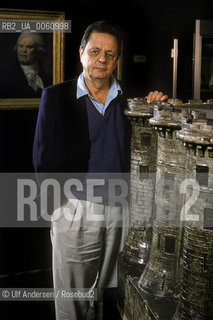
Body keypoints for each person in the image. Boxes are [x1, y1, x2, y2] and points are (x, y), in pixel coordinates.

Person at [33, 20, 167, 320]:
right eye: (95, 51)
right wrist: (57, 209)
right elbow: (42, 158)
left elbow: (154, 146)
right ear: (82, 53)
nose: (102, 59)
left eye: (110, 54)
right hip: (75, 209)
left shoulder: (132, 102)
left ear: (117, 59)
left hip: (121, 211)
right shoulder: (55, 98)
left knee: (110, 295)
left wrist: (160, 105)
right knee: (72, 301)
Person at [0, 32, 52, 98]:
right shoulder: (3, 77)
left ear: (38, 50)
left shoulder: (49, 79)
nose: (24, 50)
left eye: (29, 47)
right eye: (21, 46)